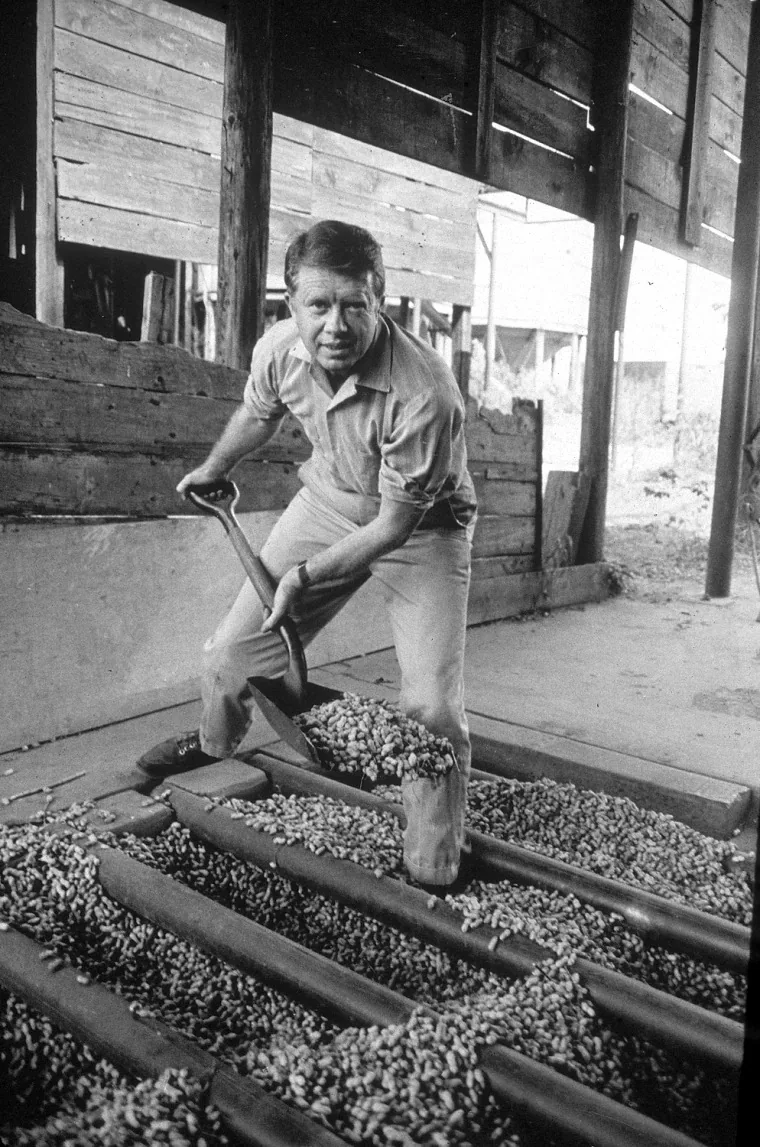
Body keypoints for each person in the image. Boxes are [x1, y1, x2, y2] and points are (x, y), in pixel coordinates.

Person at [138, 220, 477, 889]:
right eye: (318, 305)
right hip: (329, 502)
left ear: (380, 297)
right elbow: (259, 414)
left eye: (354, 303)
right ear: (290, 305)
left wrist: (301, 576)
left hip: (421, 529)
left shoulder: (426, 394)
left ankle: (433, 857)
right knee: (231, 654)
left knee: (431, 710)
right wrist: (214, 465)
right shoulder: (279, 349)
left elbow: (391, 526)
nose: (336, 324)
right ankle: (211, 744)